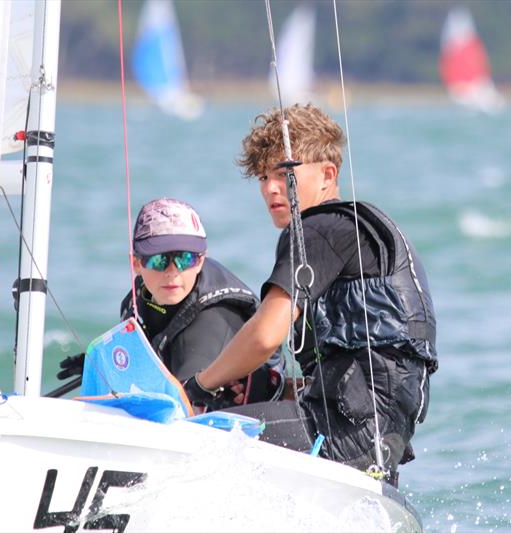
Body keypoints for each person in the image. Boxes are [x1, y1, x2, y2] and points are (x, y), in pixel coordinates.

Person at [184, 104, 438, 484]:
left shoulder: (316, 229)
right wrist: (282, 387)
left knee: (195, 437)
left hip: (345, 433)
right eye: (263, 176)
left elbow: (266, 335)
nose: (270, 188)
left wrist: (200, 384)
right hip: (379, 440)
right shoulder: (360, 230)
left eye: (285, 173)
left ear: (327, 174)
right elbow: (374, 361)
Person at [57, 197, 283, 407]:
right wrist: (107, 364)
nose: (173, 272)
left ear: (200, 261)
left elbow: (178, 411)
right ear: (136, 263)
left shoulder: (213, 318)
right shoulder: (142, 296)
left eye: (186, 259)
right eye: (159, 260)